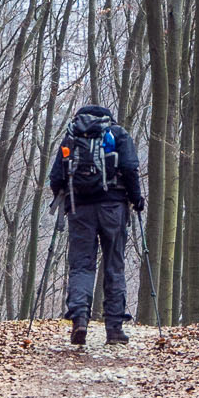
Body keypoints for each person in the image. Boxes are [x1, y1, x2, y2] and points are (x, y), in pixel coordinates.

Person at [49, 105, 144, 346]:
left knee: (81, 265)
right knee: (114, 265)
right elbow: (130, 169)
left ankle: (80, 318)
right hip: (114, 208)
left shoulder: (71, 135)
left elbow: (56, 177)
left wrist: (69, 197)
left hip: (80, 209)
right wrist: (136, 199)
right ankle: (114, 329)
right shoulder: (117, 134)